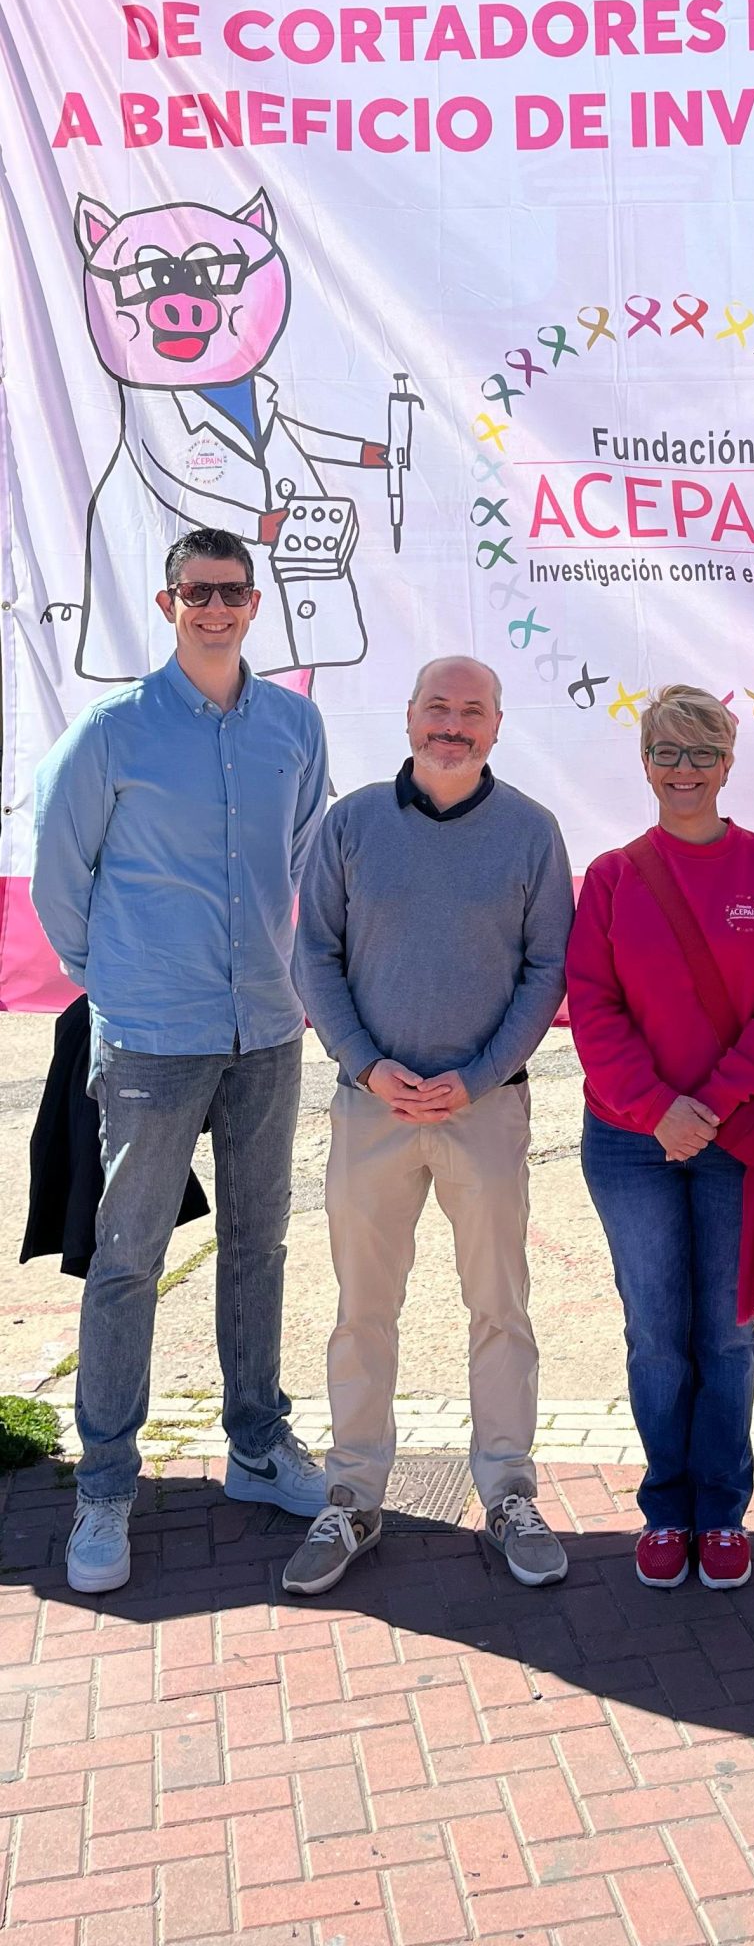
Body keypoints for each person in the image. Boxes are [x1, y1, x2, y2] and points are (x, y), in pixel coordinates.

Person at [32, 525, 330, 1596]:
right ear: (167, 605)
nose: (214, 608)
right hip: (152, 1036)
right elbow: (58, 875)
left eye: (231, 591)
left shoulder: (295, 725)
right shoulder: (111, 730)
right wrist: (116, 977)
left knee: (259, 1247)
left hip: (266, 1031)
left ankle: (257, 1444)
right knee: (127, 1260)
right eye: (196, 592)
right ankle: (107, 1482)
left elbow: (303, 857)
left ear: (255, 605)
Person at [284, 657, 574, 1595]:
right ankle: (353, 1495)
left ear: (497, 726)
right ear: (409, 718)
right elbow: (315, 954)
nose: (453, 724)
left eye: (472, 711)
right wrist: (368, 1064)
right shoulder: (353, 824)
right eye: (438, 708)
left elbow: (547, 970)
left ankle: (509, 1492)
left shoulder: (531, 832)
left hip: (484, 1110)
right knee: (362, 1311)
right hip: (370, 1107)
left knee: (499, 1308)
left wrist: (477, 1078)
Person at [566, 685, 754, 1592]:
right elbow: (593, 1007)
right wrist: (658, 1110)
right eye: (667, 753)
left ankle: (720, 1509)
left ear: (728, 764)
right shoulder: (613, 877)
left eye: (701, 753)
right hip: (629, 1140)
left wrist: (709, 1105)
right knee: (656, 1333)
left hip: (737, 1133)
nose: (683, 770)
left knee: (726, 1335)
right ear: (644, 763)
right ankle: (666, 1508)